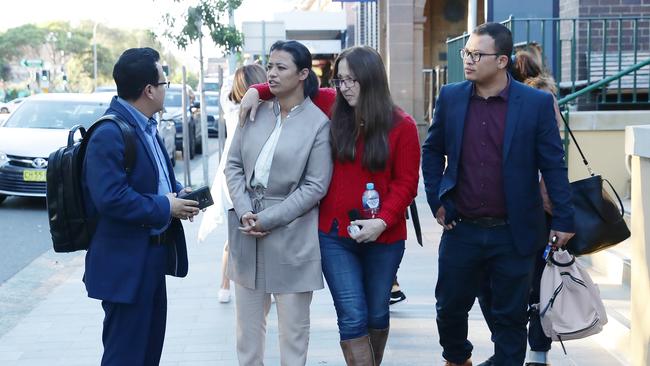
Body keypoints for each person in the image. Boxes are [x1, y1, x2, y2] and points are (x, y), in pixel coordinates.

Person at [241, 45, 421, 365]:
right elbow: (292, 83)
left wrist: (382, 220)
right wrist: (256, 91)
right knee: (352, 316)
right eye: (340, 80)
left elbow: (406, 184)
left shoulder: (402, 125)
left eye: (353, 80)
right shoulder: (330, 105)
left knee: (377, 313)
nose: (345, 87)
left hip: (385, 236)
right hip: (335, 235)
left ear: (373, 79)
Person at [421, 23, 575, 366]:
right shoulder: (451, 97)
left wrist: (563, 217)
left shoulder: (535, 103)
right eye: (467, 53)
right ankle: (458, 358)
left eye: (477, 54)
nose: (468, 60)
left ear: (502, 61)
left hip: (515, 230)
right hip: (462, 227)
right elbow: (431, 151)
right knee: (449, 308)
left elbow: (553, 164)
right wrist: (437, 198)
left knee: (509, 318)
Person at [82, 47, 200, 365]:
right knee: (125, 356)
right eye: (164, 83)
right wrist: (166, 207)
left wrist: (178, 194)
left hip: (151, 258)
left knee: (148, 354)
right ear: (149, 90)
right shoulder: (109, 133)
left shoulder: (146, 126)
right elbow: (111, 198)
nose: (166, 89)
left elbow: (156, 180)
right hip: (125, 266)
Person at [225, 40, 333, 366]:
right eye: (269, 66)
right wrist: (245, 210)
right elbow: (233, 166)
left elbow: (315, 186)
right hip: (246, 231)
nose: (271, 73)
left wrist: (269, 219)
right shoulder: (253, 110)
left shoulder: (318, 124)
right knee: (247, 335)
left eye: (280, 67)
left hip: (292, 235)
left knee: (293, 335)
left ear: (303, 74)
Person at [477, 51, 563, 366]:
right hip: (508, 207)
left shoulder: (538, 100)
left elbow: (552, 157)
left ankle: (533, 354)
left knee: (534, 283)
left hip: (534, 207)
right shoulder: (495, 101)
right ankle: (519, 351)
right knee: (504, 283)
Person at [197, 64, 267, 304]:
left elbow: (226, 87)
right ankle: (243, 285)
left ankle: (224, 285)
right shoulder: (266, 109)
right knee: (251, 232)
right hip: (247, 176)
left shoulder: (230, 107)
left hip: (230, 176)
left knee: (234, 234)